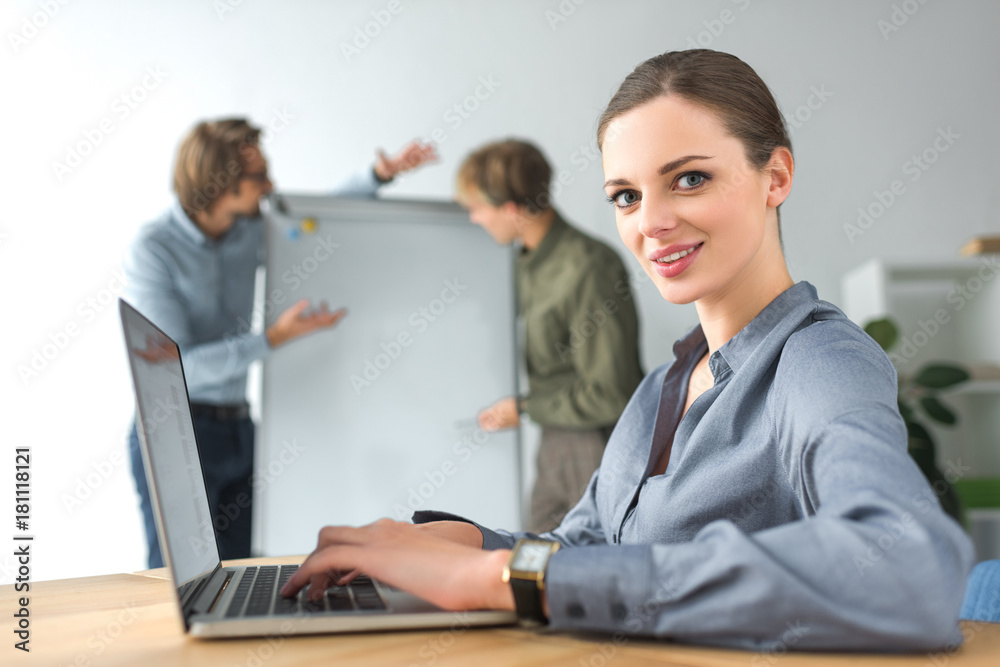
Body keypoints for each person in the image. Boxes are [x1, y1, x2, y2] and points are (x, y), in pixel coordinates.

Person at [280, 50, 974, 651]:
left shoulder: (818, 362)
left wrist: (502, 579)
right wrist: (466, 543)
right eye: (625, 195)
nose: (651, 222)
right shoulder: (664, 385)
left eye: (690, 178)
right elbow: (586, 550)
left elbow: (911, 566)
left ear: (777, 177)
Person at [123, 118, 436, 568]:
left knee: (235, 573)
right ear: (220, 185)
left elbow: (312, 214)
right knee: (174, 580)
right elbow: (177, 368)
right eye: (258, 176)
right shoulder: (155, 249)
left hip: (236, 429)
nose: (270, 185)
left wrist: (378, 176)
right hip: (172, 429)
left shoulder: (248, 230)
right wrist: (274, 339)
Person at [455, 139, 643, 533]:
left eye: (477, 209)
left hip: (594, 444)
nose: (473, 220)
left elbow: (610, 393)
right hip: (556, 439)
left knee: (584, 572)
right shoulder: (523, 261)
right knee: (535, 566)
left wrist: (524, 408)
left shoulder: (589, 266)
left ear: (510, 210)